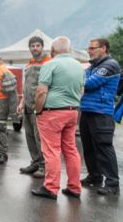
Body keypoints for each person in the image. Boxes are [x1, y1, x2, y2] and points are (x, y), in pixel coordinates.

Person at [31, 37, 84, 200]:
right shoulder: (79, 66)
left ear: (53, 50)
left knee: (51, 150)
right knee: (70, 149)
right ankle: (75, 187)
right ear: (69, 49)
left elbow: (41, 91)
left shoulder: (50, 64)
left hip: (52, 112)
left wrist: (37, 110)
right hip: (72, 111)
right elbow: (82, 90)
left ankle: (51, 188)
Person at [79, 38, 121, 196]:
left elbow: (89, 84)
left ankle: (112, 183)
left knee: (104, 148)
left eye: (92, 48)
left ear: (103, 48)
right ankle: (95, 176)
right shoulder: (92, 66)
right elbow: (82, 80)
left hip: (101, 112)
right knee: (88, 147)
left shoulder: (110, 65)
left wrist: (81, 82)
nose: (89, 51)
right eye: (88, 48)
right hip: (87, 110)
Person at [17, 36, 51, 177]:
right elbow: (27, 87)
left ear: (42, 47)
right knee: (30, 136)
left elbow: (48, 86)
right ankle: (35, 162)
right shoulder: (29, 63)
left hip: (40, 107)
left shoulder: (49, 62)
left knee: (40, 138)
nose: (35, 48)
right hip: (28, 106)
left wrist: (41, 106)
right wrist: (21, 103)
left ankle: (44, 166)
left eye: (38, 45)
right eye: (32, 46)